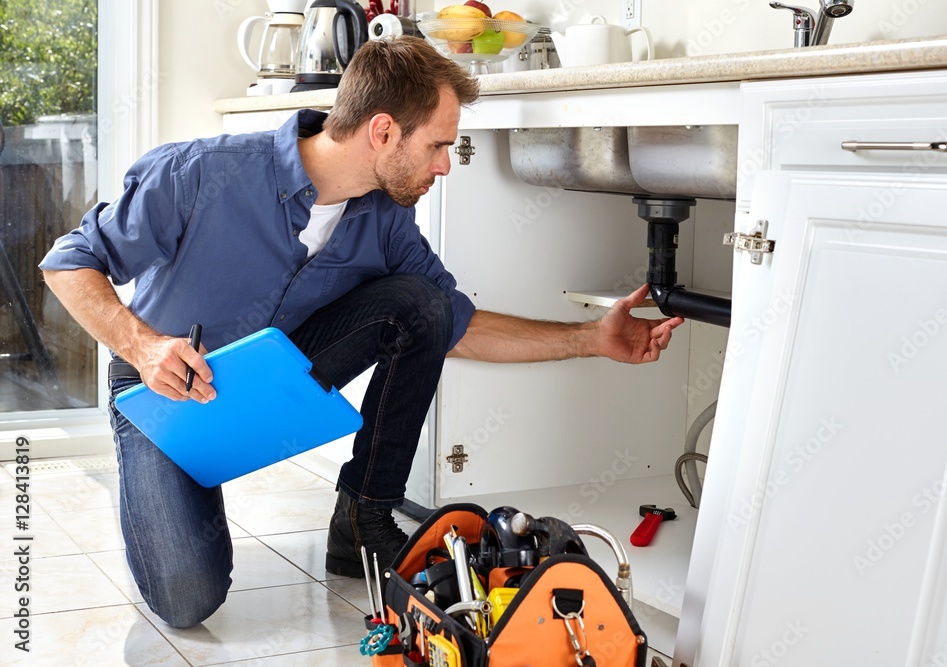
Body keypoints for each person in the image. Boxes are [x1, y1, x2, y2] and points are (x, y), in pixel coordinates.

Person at [39, 36, 684, 628]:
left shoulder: (386, 224)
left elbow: (455, 326)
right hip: (168, 392)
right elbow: (67, 263)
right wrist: (145, 347)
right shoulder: (198, 174)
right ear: (383, 132)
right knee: (187, 600)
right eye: (438, 145)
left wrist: (590, 337)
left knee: (423, 303)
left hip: (272, 375)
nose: (445, 166)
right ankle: (187, 473)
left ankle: (363, 520)